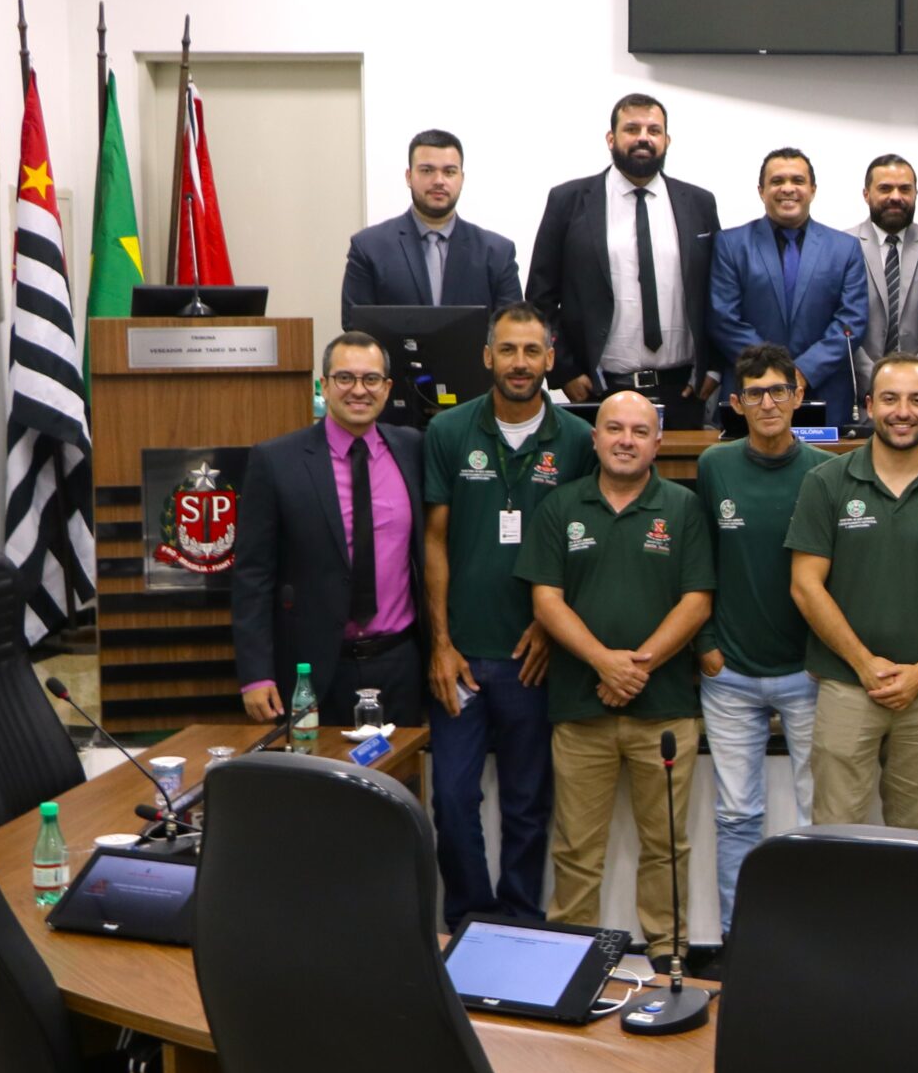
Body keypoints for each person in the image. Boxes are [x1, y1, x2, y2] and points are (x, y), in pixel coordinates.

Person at [516, 391, 715, 961]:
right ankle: (570, 956)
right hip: (581, 708)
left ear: (658, 442)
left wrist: (635, 667)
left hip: (666, 711)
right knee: (576, 848)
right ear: (595, 437)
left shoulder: (683, 507)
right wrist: (604, 662)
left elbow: (697, 602)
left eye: (639, 431)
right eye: (614, 429)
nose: (626, 440)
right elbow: (546, 600)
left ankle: (669, 953)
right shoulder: (561, 506)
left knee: (667, 846)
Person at [421, 303, 594, 931]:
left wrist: (553, 625)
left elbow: (587, 546)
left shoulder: (577, 440)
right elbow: (434, 541)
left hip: (535, 657)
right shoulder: (449, 431)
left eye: (531, 351)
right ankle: (471, 919)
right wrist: (441, 643)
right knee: (451, 799)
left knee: (528, 805)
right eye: (508, 350)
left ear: (550, 358)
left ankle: (521, 921)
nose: (520, 363)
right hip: (462, 657)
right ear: (487, 356)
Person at [786, 354, 918, 828]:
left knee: (916, 837)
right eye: (890, 399)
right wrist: (864, 663)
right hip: (846, 686)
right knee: (836, 835)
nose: (903, 411)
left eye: (917, 400)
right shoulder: (826, 482)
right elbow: (805, 586)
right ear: (869, 406)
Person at [691, 344, 832, 936]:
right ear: (736, 403)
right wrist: (705, 645)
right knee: (736, 815)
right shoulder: (714, 466)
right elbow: (696, 561)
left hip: (807, 673)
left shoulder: (825, 471)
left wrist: (824, 657)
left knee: (817, 816)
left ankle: (811, 939)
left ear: (798, 396)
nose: (768, 403)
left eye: (778, 391)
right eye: (755, 393)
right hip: (730, 674)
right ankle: (738, 937)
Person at [233, 331, 427, 728]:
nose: (359, 390)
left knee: (401, 769)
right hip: (313, 670)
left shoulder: (413, 449)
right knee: (316, 770)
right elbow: (253, 575)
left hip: (400, 665)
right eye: (345, 378)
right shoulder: (276, 461)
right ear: (324, 384)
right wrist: (256, 674)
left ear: (387, 388)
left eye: (371, 379)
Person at [529, 94, 721, 425]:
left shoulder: (699, 204)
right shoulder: (568, 201)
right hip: (599, 391)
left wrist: (715, 367)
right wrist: (564, 370)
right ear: (611, 138)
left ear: (667, 140)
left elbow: (719, 292)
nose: (643, 138)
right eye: (632, 129)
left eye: (654, 130)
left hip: (684, 391)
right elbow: (540, 298)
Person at [709, 148, 871, 423]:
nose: (787, 189)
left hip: (825, 392)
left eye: (797, 181)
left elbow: (851, 322)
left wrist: (804, 371)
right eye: (777, 181)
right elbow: (724, 320)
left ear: (813, 190)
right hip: (753, 392)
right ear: (761, 191)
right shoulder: (731, 245)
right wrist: (773, 374)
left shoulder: (845, 249)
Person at [340, 129, 524, 324]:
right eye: (427, 170)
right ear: (409, 176)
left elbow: (513, 329)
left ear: (462, 178)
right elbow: (355, 326)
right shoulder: (368, 248)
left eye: (449, 172)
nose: (438, 181)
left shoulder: (497, 253)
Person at [851, 152, 918, 394]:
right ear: (866, 194)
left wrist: (917, 377)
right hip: (859, 390)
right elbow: (841, 321)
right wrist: (876, 380)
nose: (896, 197)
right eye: (885, 188)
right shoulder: (843, 245)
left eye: (905, 189)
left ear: (916, 194)